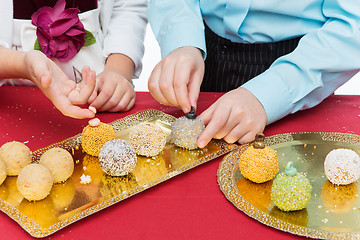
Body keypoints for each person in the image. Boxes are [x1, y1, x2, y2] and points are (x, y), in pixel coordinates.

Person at [147, 0, 360, 147]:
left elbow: (354, 24)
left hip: (305, 72)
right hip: (203, 52)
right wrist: (181, 40)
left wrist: (270, 94)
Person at [0, 0, 147, 118]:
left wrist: (118, 70)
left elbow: (127, 8)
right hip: (16, 105)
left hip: (102, 100)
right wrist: (22, 64)